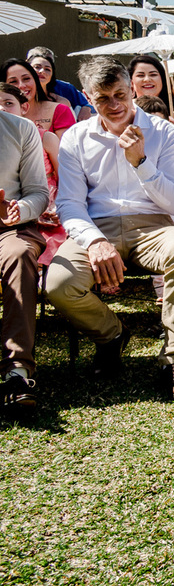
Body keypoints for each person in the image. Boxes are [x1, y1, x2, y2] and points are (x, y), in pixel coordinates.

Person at [45, 56, 174, 402]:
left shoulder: (163, 133)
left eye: (120, 94)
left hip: (153, 227)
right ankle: (111, 334)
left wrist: (141, 163)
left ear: (131, 89)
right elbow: (70, 203)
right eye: (103, 98)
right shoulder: (76, 137)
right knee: (57, 284)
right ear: (88, 97)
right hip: (96, 227)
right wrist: (94, 241)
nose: (115, 105)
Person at [0, 93, 49, 414]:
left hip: (10, 229)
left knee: (19, 255)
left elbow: (38, 193)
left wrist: (19, 209)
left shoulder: (20, 129)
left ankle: (18, 370)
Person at [0, 84, 66, 269]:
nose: (2, 108)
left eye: (8, 103)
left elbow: (63, 180)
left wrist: (54, 207)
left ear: (24, 107)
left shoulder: (41, 136)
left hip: (43, 204)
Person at [4, 58, 74, 139]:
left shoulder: (59, 110)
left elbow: (68, 149)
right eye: (13, 81)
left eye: (26, 79)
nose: (21, 85)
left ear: (36, 81)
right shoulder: (2, 114)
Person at [26, 48, 92, 121]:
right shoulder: (18, 89)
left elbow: (89, 101)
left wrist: (87, 108)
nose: (42, 71)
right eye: (37, 67)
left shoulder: (65, 89)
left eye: (47, 68)